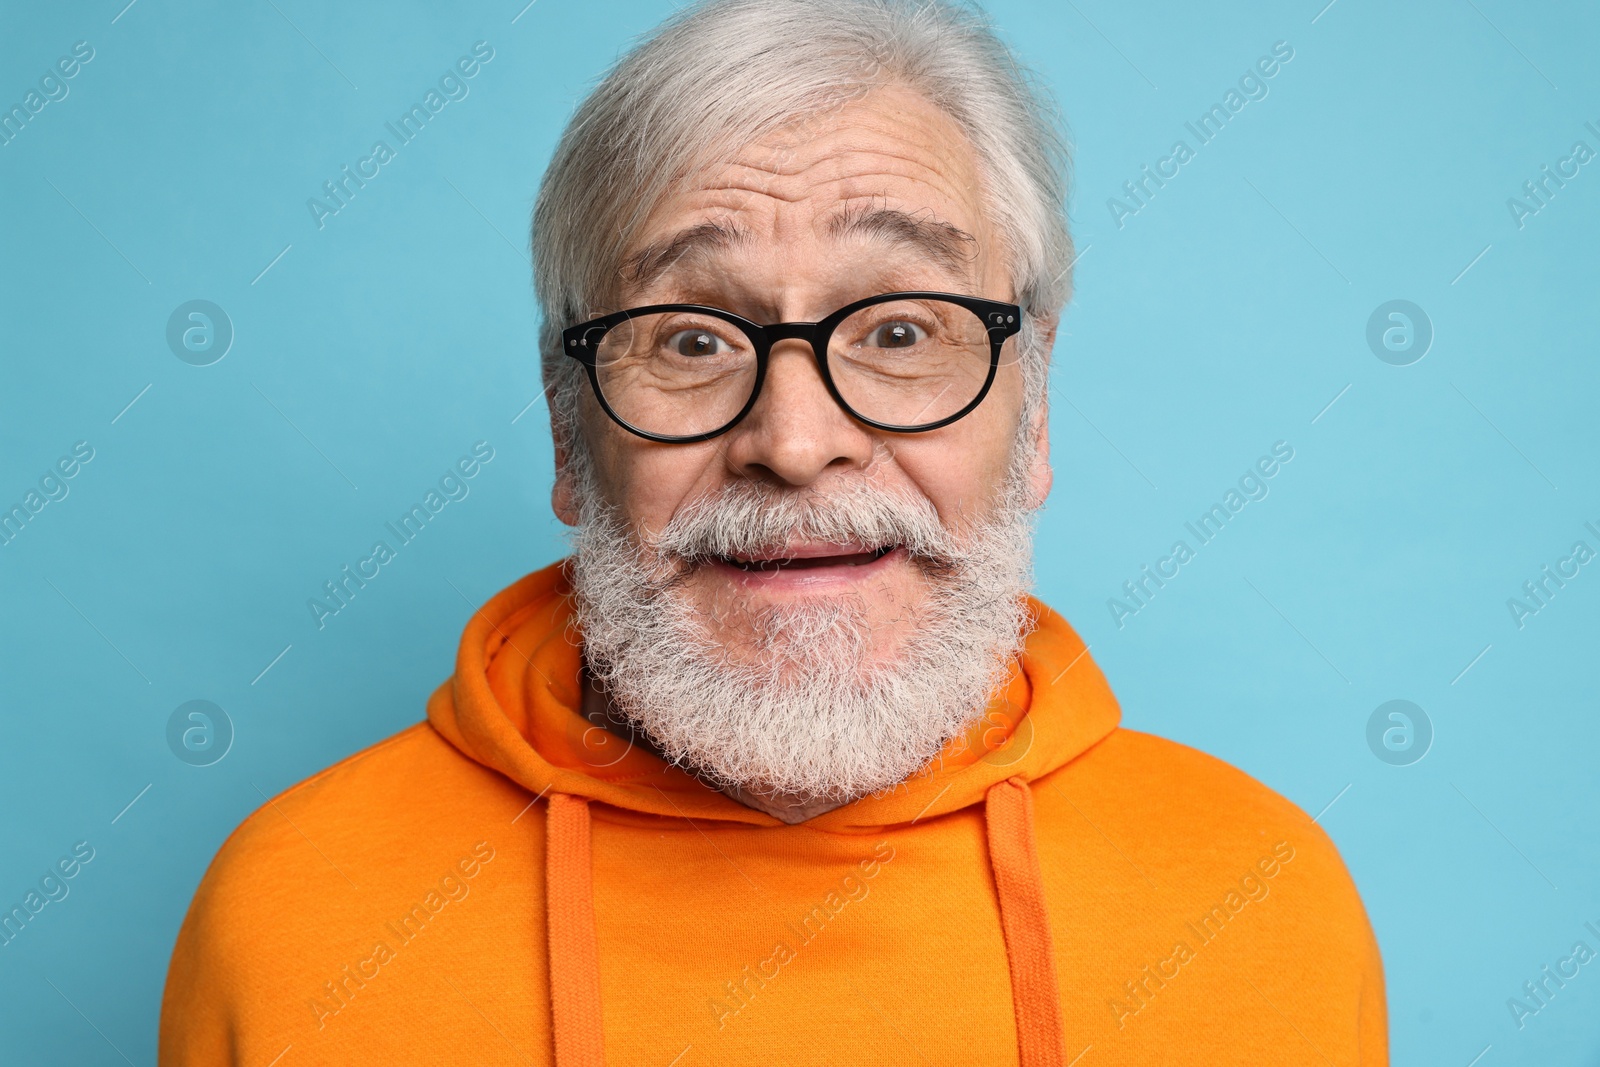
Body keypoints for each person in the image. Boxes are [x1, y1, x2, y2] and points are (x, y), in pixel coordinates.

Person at [160, 1, 1387, 1063]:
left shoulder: (1264, 904)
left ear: (1037, 406)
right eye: (690, 339)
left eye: (900, 331)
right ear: (565, 433)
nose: (795, 442)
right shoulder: (290, 921)